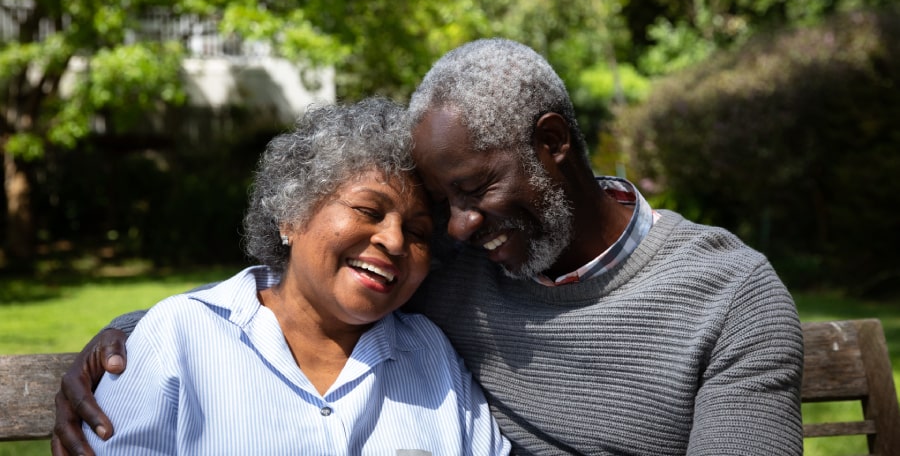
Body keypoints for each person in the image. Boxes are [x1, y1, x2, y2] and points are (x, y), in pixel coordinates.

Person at [53, 39, 804, 455]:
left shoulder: (728, 295)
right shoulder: (457, 266)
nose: (454, 230)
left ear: (552, 145)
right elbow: (300, 288)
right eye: (442, 206)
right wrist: (130, 338)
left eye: (473, 190)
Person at [68, 97, 510, 455]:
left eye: (417, 232)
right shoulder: (180, 337)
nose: (394, 241)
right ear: (291, 216)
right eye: (367, 210)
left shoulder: (431, 354)